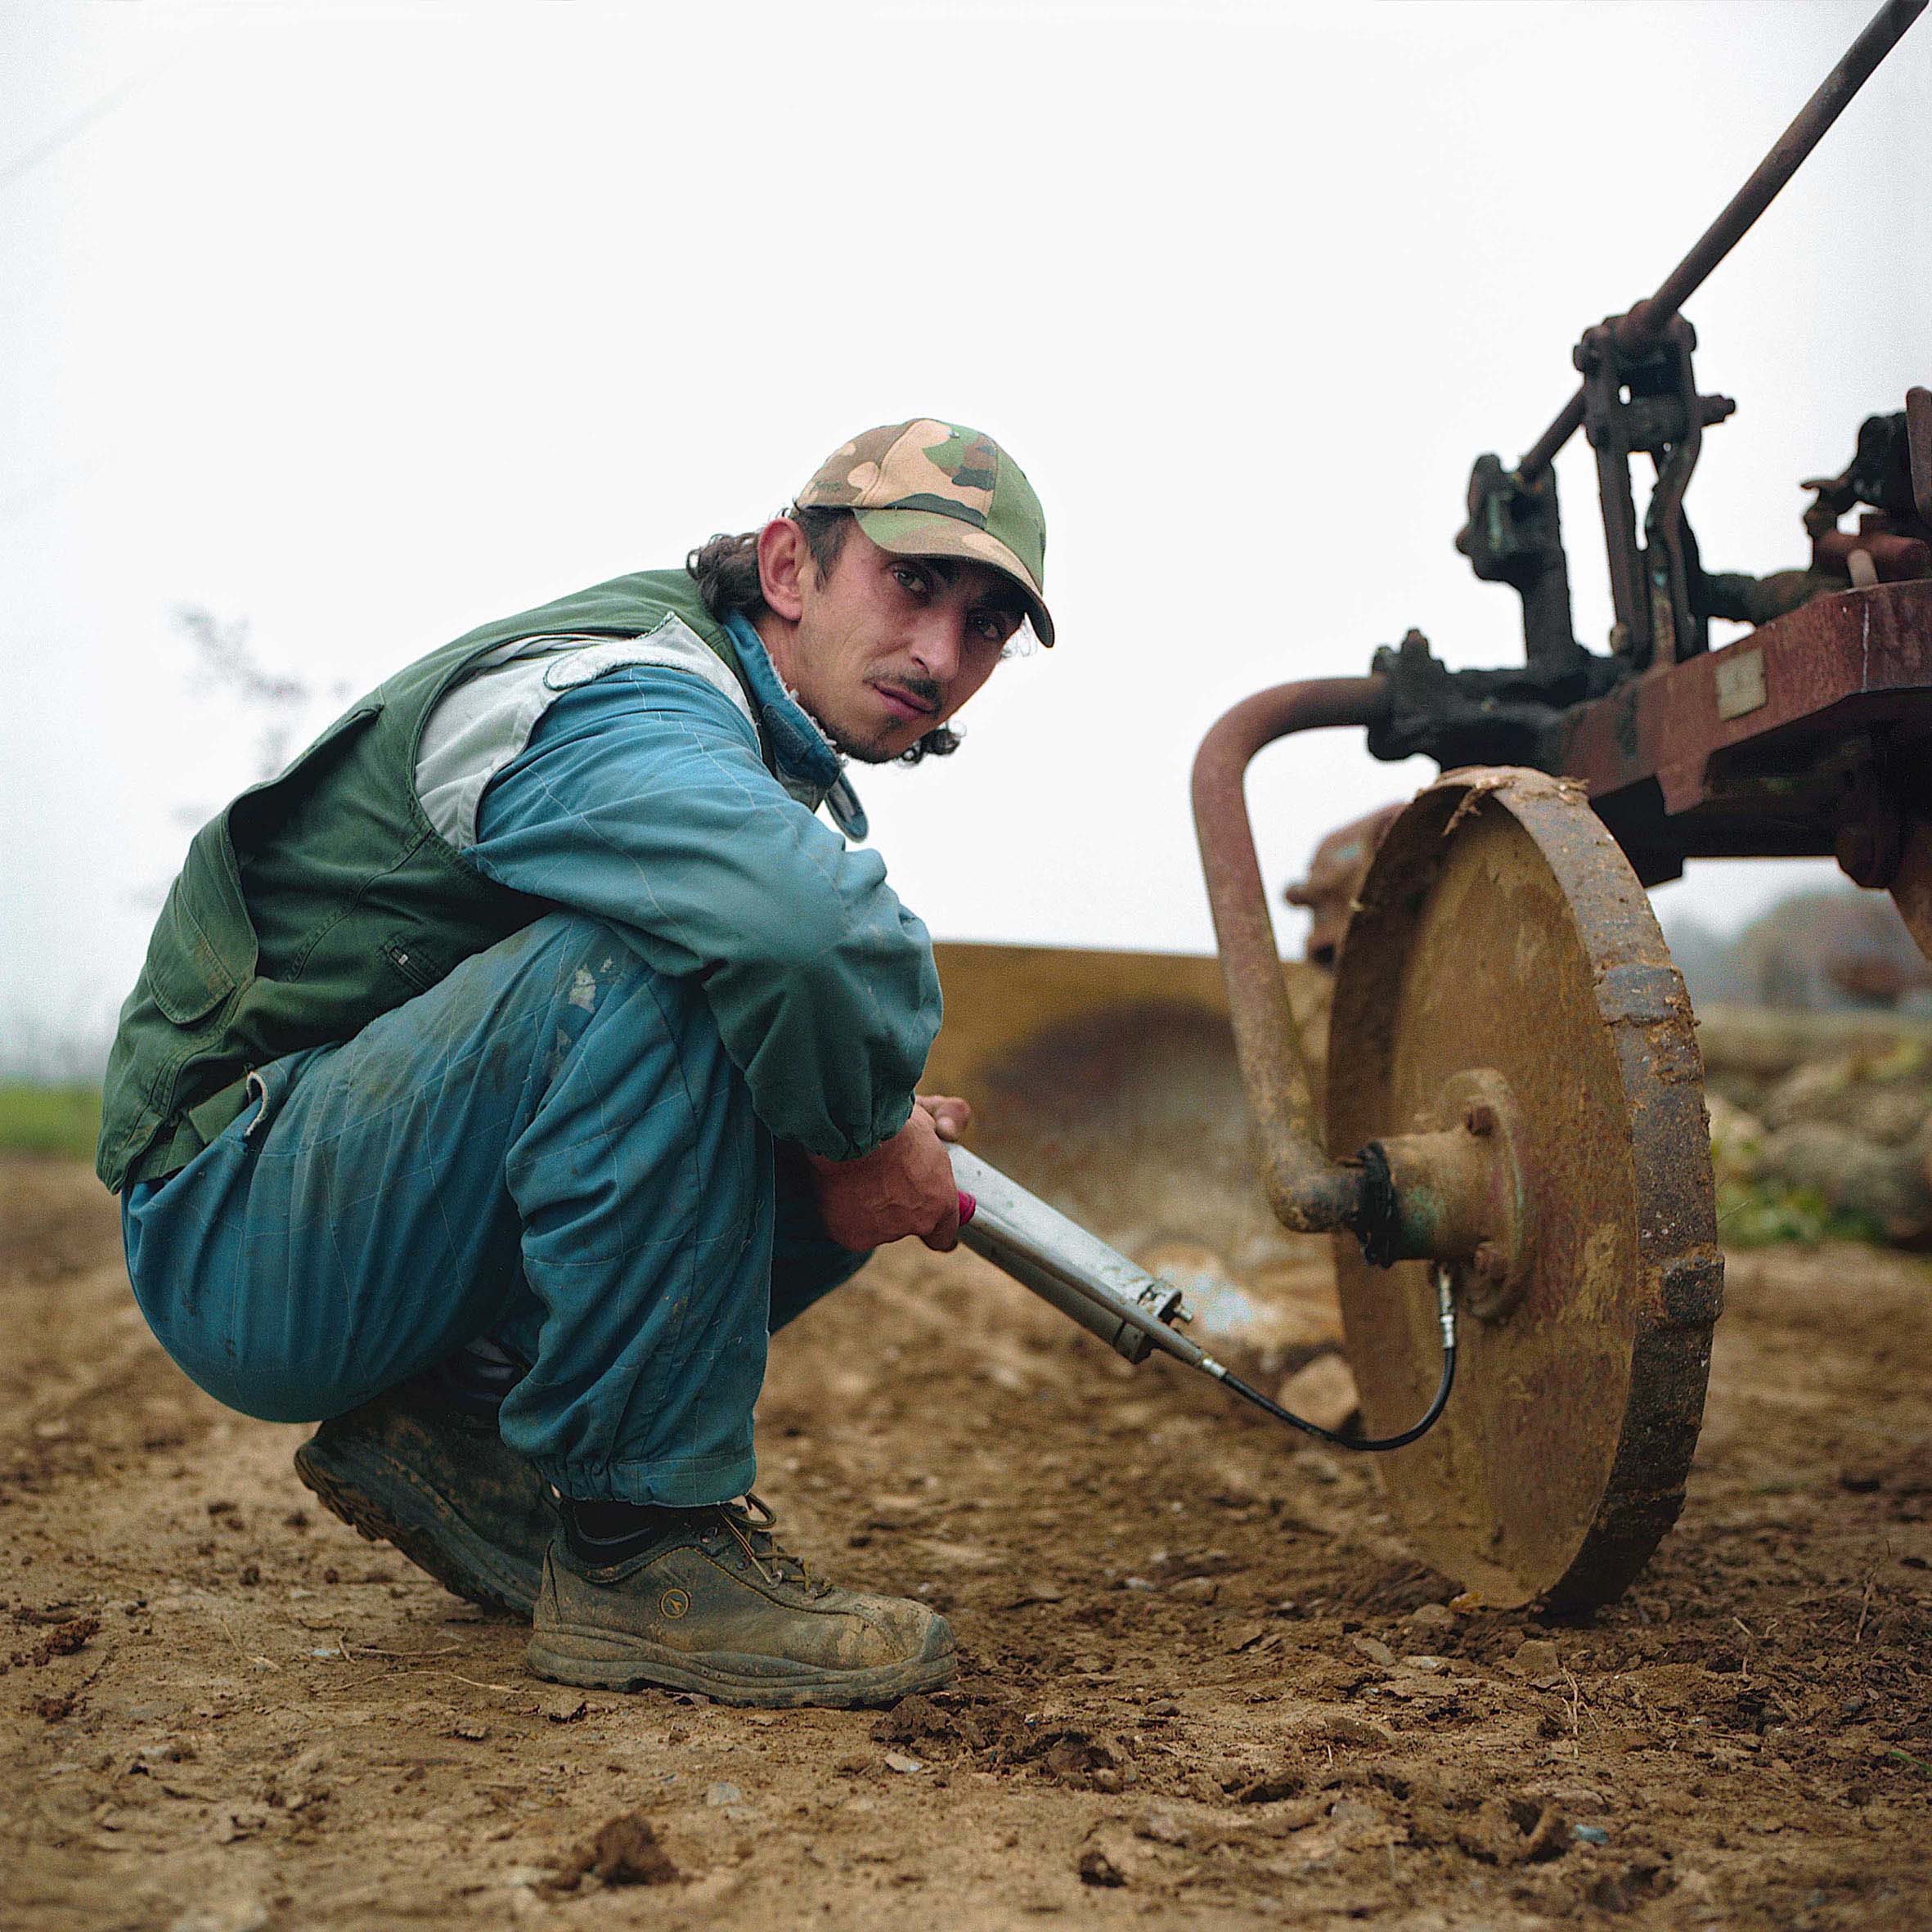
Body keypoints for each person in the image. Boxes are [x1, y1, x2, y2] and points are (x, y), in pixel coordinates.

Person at [97, 419, 1054, 1710]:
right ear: (786, 567)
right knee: (686, 964)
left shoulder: (746, 748)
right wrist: (861, 1133)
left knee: (807, 1061)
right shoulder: (616, 692)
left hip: (352, 1215)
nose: (942, 654)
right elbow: (799, 929)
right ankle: (639, 1551)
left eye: (986, 624)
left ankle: (465, 1429)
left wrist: (861, 1123)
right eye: (914, 583)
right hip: (240, 1227)